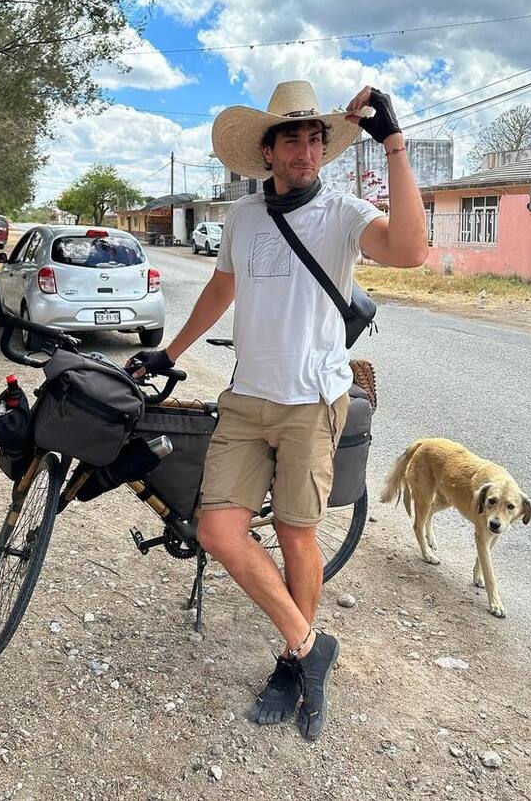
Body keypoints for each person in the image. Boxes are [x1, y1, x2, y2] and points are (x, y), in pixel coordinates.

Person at [129, 80, 428, 740]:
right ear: (267, 151)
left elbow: (410, 250)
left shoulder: (344, 214)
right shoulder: (242, 218)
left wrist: (396, 148)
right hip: (246, 399)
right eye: (289, 136)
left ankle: (292, 666)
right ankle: (309, 643)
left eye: (313, 136)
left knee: (296, 534)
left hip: (312, 402)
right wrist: (168, 352)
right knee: (218, 531)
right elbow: (222, 287)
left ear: (323, 147)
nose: (303, 147)